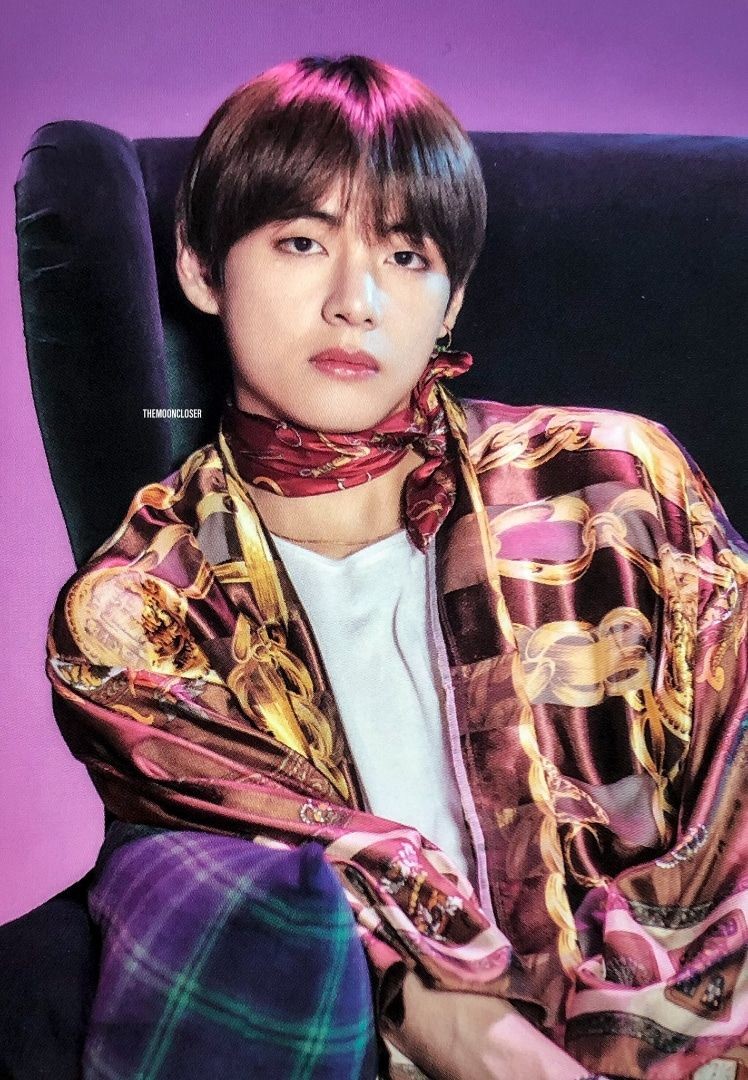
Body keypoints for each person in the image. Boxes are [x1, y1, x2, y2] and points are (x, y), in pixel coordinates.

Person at [45, 54, 748, 1080]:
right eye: (302, 241)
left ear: (452, 300)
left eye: (407, 255)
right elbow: (317, 881)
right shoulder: (144, 609)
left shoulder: (612, 483)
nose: (356, 300)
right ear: (199, 266)